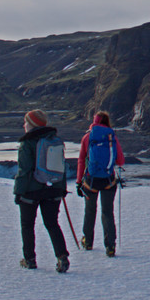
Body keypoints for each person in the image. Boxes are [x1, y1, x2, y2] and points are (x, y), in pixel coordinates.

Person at [14, 109, 70, 272]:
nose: (24, 125)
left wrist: (19, 192)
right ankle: (62, 257)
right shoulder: (54, 140)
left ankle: (29, 259)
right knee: (52, 224)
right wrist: (62, 188)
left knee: (27, 225)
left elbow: (24, 171)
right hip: (53, 189)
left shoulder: (27, 143)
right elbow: (62, 167)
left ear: (31, 124)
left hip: (31, 191)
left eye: (26, 122)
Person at [77, 111, 125, 256]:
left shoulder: (88, 137)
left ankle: (88, 242)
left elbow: (81, 160)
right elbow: (120, 161)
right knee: (107, 213)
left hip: (90, 182)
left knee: (90, 211)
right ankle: (110, 246)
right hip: (108, 181)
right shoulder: (112, 138)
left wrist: (79, 181)